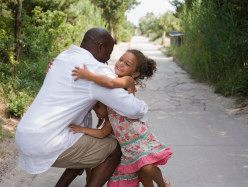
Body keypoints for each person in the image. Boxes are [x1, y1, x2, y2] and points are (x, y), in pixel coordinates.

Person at [15, 28, 148, 187]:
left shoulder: (63, 57)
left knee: (85, 140)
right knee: (114, 149)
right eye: (109, 52)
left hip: (25, 134)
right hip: (45, 142)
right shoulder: (94, 70)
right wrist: (141, 102)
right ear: (100, 47)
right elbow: (134, 110)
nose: (109, 58)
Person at [70, 49, 173, 187]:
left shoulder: (127, 80)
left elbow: (111, 83)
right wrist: (80, 129)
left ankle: (163, 184)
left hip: (140, 139)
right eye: (121, 59)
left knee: (147, 168)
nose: (121, 64)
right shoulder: (111, 111)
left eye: (127, 63)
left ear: (135, 73)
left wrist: (88, 75)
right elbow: (102, 133)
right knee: (142, 172)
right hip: (127, 148)